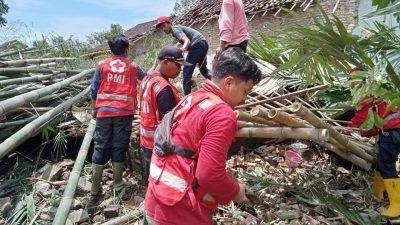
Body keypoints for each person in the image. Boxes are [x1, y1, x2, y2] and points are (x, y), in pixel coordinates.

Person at [144, 47, 262, 225]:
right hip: (179, 211)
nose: (244, 99)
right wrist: (236, 192)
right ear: (229, 82)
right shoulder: (222, 113)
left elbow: (190, 134)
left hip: (155, 198)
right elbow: (209, 175)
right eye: (245, 92)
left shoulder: (193, 98)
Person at [88, 35, 146, 209]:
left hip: (104, 112)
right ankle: (118, 184)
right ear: (127, 50)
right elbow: (147, 78)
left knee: (100, 146)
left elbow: (94, 89)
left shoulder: (102, 65)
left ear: (111, 50)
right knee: (119, 146)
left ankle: (94, 190)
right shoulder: (134, 66)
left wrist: (94, 109)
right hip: (124, 112)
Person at [345, 68, 400, 218]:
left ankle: (397, 205)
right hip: (393, 130)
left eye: (352, 80)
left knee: (387, 164)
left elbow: (362, 118)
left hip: (392, 131)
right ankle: (378, 192)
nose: (352, 84)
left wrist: (348, 129)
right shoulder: (379, 88)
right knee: (382, 162)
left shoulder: (365, 93)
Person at [139, 46, 189, 182]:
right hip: (159, 143)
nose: (180, 70)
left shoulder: (147, 78)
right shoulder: (164, 88)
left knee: (149, 176)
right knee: (158, 180)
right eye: (178, 65)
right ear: (166, 62)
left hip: (146, 139)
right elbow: (168, 124)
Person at [155, 16, 211, 95]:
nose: (163, 29)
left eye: (164, 26)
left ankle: (186, 97)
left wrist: (182, 50)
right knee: (203, 70)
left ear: (169, 23)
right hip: (203, 43)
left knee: (186, 71)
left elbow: (186, 41)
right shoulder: (176, 31)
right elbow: (180, 42)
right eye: (161, 28)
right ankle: (215, 85)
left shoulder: (175, 29)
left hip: (197, 44)